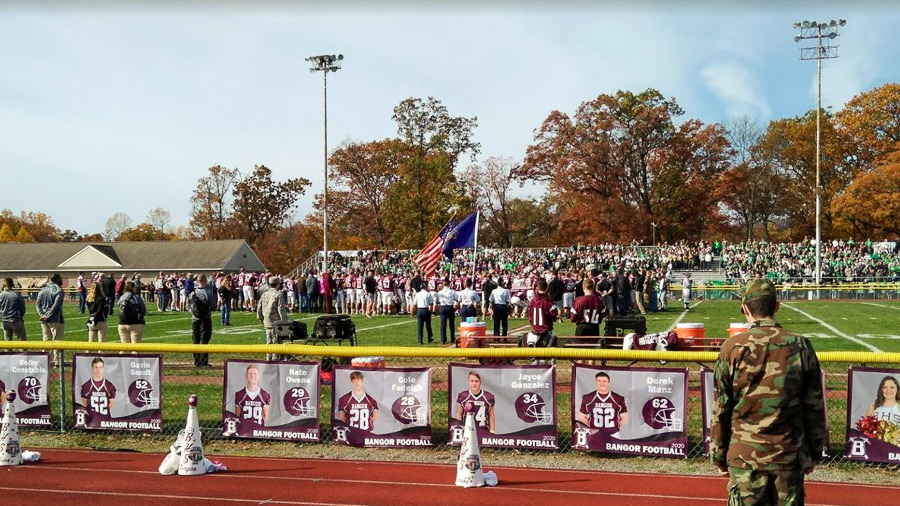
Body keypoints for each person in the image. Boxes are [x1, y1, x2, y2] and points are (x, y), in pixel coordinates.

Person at [711, 279, 826, 505]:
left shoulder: (732, 348)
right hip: (789, 455)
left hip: (745, 458)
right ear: (777, 306)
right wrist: (815, 450)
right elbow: (814, 405)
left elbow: (721, 407)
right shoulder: (800, 346)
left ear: (745, 309)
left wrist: (719, 453)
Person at [257, 276, 288, 361]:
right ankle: (274, 361)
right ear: (277, 284)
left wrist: (260, 318)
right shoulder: (278, 294)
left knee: (268, 343)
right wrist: (285, 322)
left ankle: (268, 360)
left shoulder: (264, 294)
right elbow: (281, 309)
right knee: (275, 345)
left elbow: (259, 307)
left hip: (267, 322)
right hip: (276, 323)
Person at [36, 273, 65, 361]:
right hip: (55, 318)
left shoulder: (43, 289)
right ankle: (57, 361)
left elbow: (38, 303)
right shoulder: (59, 290)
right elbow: (56, 305)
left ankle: (44, 360)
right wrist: (48, 315)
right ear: (57, 279)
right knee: (57, 340)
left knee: (46, 340)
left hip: (44, 319)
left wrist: (42, 315)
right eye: (60, 279)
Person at [80, 357, 116, 423]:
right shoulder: (86, 386)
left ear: (103, 368)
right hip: (91, 420)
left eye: (100, 367)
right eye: (96, 367)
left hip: (105, 420)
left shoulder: (109, 386)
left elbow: (111, 403)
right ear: (92, 368)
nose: (98, 370)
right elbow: (85, 403)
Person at [235, 364, 271, 429]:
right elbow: (238, 415)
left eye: (255, 374)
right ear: (246, 376)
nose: (252, 376)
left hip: (258, 431)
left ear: (259, 376)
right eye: (250, 373)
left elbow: (266, 416)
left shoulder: (264, 395)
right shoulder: (240, 394)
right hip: (244, 430)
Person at [571, 278, 604, 347]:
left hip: (581, 328)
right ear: (593, 287)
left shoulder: (578, 301)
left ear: (583, 287)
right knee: (591, 353)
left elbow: (573, 318)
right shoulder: (599, 301)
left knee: (581, 352)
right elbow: (602, 315)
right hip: (594, 328)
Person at [189, 274, 214, 367]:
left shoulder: (193, 292)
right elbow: (213, 305)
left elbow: (189, 305)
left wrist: (194, 313)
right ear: (205, 281)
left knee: (195, 339)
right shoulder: (207, 293)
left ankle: (196, 361)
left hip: (194, 319)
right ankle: (204, 361)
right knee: (204, 339)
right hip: (205, 318)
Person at [525, 278, 558, 348]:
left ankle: (531, 342)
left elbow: (529, 316)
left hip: (535, 328)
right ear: (546, 289)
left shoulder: (532, 301)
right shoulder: (548, 301)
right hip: (546, 329)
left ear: (537, 288)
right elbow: (554, 316)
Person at [117, 281, 146, 352]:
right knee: (135, 348)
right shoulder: (136, 297)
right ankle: (134, 362)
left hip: (122, 323)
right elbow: (143, 309)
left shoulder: (122, 297)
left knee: (124, 348)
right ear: (132, 288)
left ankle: (121, 362)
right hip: (135, 323)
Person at [436, 278, 459, 345]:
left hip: (443, 307)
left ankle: (443, 339)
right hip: (450, 307)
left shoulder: (440, 292)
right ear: (449, 284)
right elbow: (456, 299)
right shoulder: (452, 291)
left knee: (443, 324)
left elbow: (437, 300)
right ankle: (452, 338)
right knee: (451, 324)